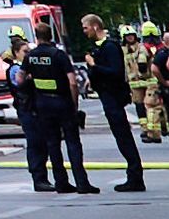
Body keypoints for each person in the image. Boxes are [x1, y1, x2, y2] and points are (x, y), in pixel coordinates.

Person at [13, 17, 89, 194]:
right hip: (62, 102)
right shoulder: (58, 55)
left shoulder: (30, 56)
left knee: (52, 144)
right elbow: (72, 82)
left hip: (42, 104)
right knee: (72, 142)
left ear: (36, 37)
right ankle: (82, 182)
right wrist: (74, 103)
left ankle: (60, 182)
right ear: (50, 35)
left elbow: (19, 79)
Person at [77, 13, 148, 193]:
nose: (84, 32)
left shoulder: (110, 47)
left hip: (114, 97)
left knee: (124, 136)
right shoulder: (97, 48)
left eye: (85, 28)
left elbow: (115, 72)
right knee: (120, 137)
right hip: (107, 96)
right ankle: (133, 175)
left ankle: (135, 177)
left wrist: (94, 66)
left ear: (94, 27)